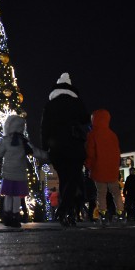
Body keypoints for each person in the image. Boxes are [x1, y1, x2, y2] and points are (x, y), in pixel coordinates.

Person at [40, 72, 91, 227]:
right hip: (74, 145)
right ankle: (64, 211)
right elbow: (85, 119)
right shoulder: (76, 101)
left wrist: (45, 146)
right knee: (74, 178)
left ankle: (66, 213)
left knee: (63, 179)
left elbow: (44, 127)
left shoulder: (50, 104)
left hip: (56, 147)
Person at [85, 109, 124, 225]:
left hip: (99, 168)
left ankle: (103, 215)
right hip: (112, 169)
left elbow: (90, 152)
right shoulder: (113, 135)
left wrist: (88, 165)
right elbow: (117, 153)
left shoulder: (92, 134)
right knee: (116, 192)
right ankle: (121, 214)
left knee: (101, 193)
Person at [0, 115, 32, 228]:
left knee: (8, 195)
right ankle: (16, 217)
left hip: (8, 173)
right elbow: (32, 152)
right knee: (17, 196)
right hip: (20, 174)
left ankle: (7, 216)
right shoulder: (24, 141)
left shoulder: (5, 140)